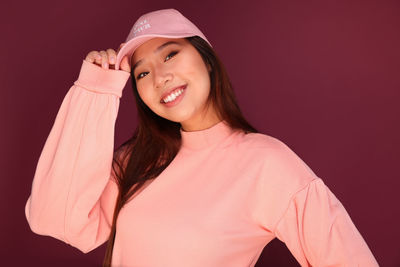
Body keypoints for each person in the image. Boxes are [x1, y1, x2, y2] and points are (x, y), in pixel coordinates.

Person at [25, 8, 379, 267]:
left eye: (171, 54)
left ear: (206, 59)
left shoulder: (266, 163)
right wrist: (96, 92)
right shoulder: (136, 162)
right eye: (142, 72)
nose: (159, 77)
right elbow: (53, 220)